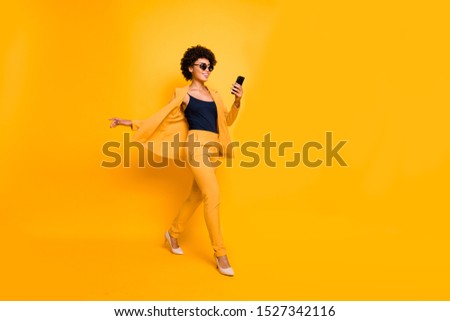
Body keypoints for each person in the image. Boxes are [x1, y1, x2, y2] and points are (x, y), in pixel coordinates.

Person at [109, 45, 243, 276]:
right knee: (213, 195)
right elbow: (161, 119)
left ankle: (172, 234)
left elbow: (227, 121)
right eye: (202, 65)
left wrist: (238, 101)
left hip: (212, 148)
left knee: (197, 195)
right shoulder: (183, 94)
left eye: (209, 66)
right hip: (195, 146)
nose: (207, 69)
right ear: (191, 67)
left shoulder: (216, 95)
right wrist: (129, 122)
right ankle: (220, 253)